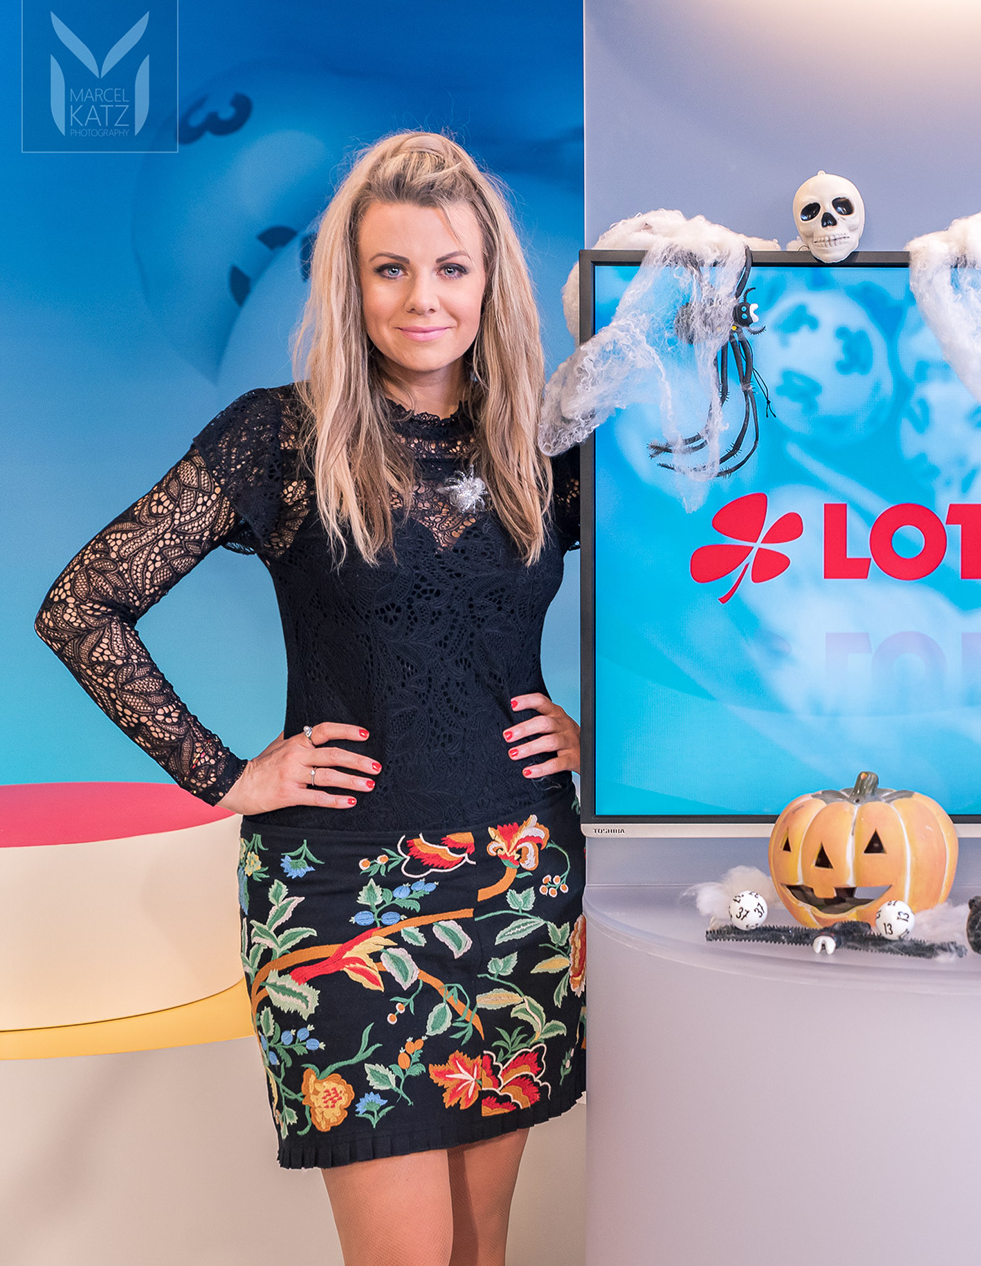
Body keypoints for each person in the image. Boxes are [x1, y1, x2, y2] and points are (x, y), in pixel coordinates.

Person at [35, 132, 583, 1266]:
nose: (423, 298)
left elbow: (686, 598)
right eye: (391, 268)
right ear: (350, 281)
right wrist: (229, 773)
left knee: (483, 1244)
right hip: (337, 888)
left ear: (491, 280)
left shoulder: (546, 445)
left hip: (519, 874)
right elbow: (83, 605)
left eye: (451, 267)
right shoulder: (280, 437)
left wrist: (602, 735)